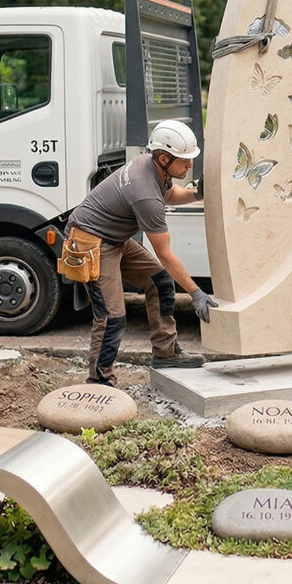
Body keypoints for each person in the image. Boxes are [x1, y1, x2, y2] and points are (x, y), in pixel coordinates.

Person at [66, 120, 217, 386]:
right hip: (91, 241)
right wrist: (196, 293)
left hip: (115, 239)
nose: (190, 165)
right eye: (184, 161)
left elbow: (170, 194)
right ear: (163, 158)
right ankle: (100, 382)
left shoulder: (151, 167)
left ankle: (165, 353)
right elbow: (166, 255)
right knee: (112, 316)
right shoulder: (145, 193)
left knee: (160, 282)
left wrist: (197, 194)